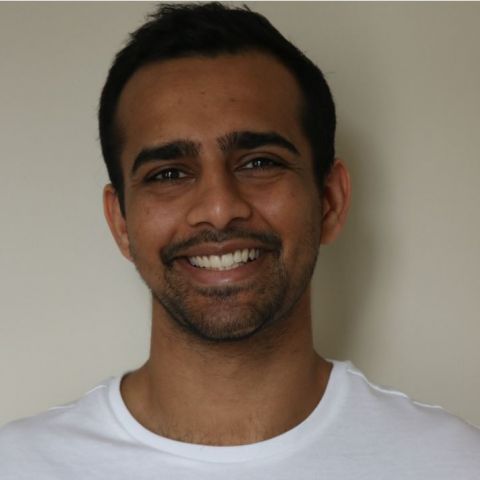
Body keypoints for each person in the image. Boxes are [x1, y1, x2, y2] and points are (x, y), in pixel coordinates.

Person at [1, 3, 478, 478]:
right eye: (168, 173)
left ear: (329, 200)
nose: (219, 207)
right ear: (121, 222)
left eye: (259, 163)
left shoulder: (453, 462)